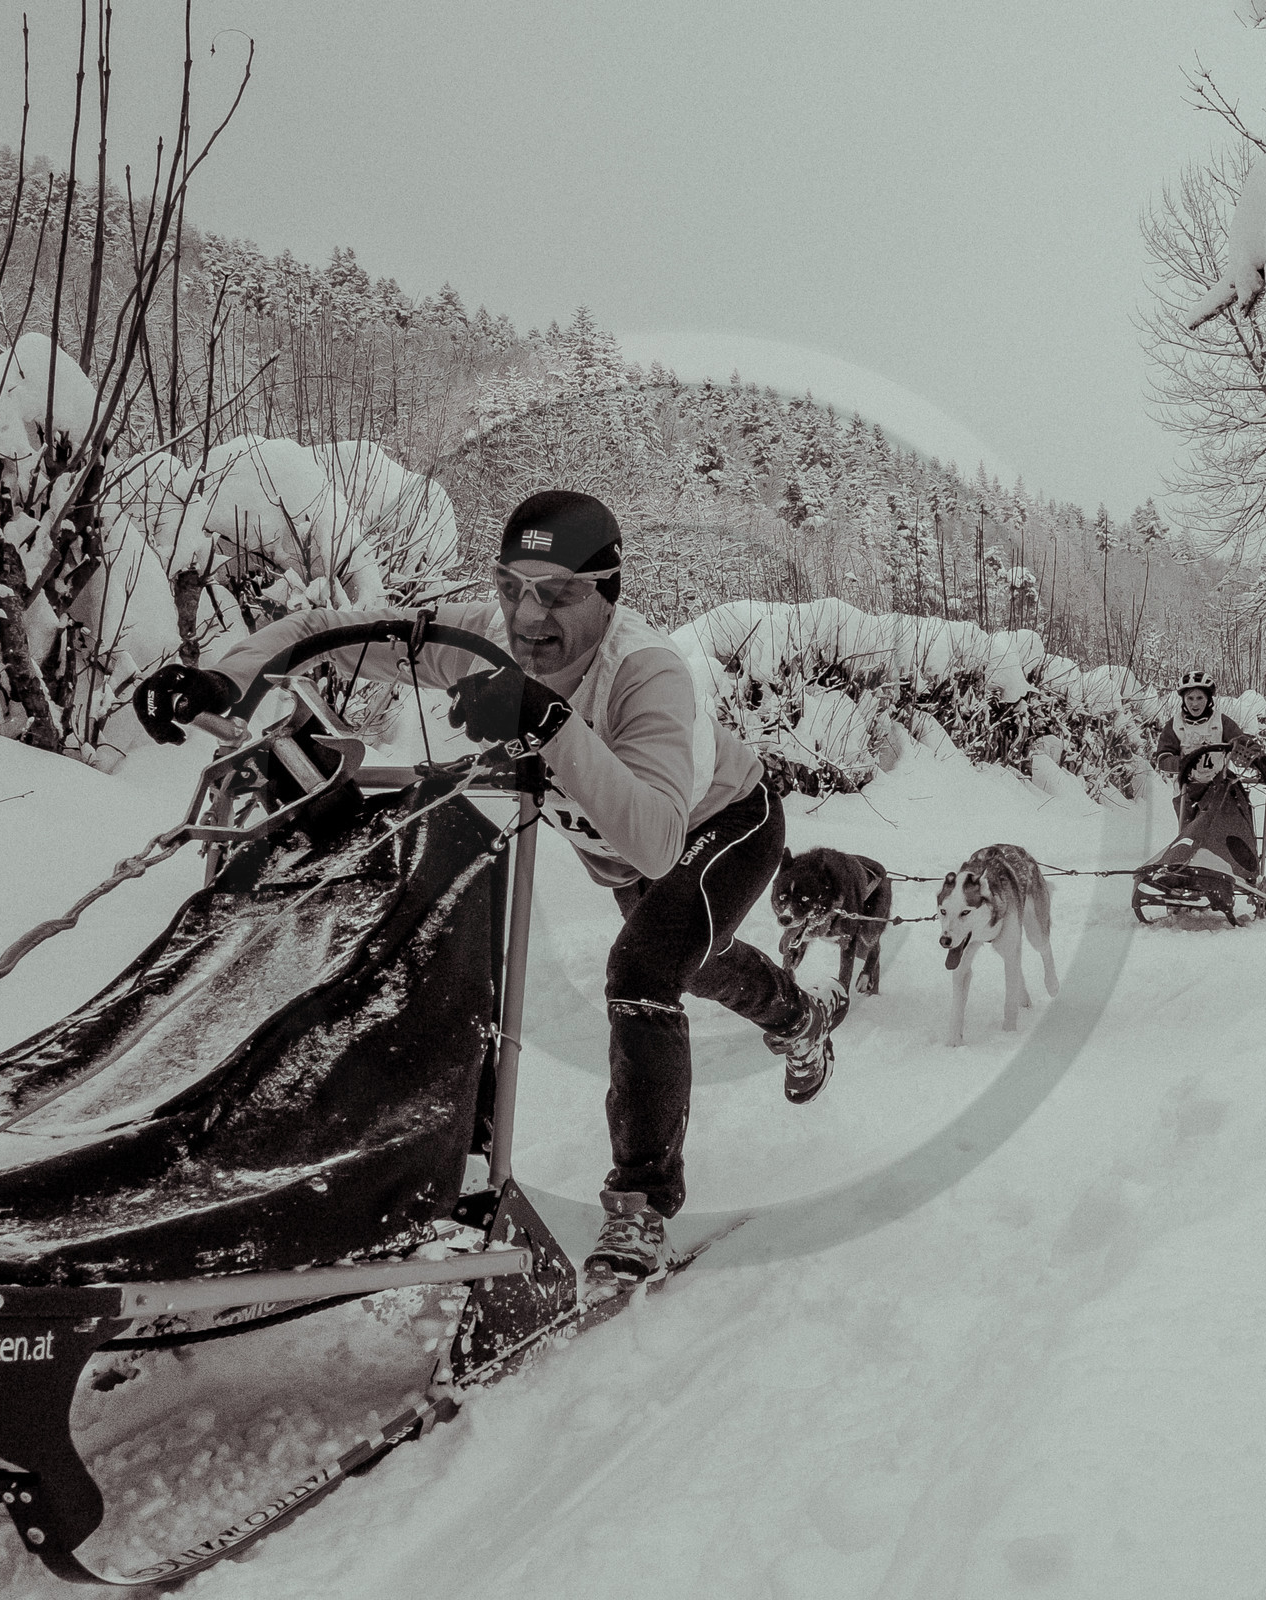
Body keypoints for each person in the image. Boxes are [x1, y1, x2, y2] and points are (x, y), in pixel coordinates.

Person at [133, 489, 844, 1283]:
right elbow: (323, 632)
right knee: (692, 961)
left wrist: (544, 720)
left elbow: (653, 841)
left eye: (559, 594)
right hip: (621, 851)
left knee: (643, 974)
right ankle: (800, 1016)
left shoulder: (647, 674)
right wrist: (223, 681)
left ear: (608, 593)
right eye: (511, 587)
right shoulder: (480, 638)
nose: (528, 617)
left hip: (722, 827)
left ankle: (642, 1209)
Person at [1153, 670, 1266, 820]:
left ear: (1208, 699)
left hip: (1217, 786)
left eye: (1200, 698)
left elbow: (1241, 741)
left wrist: (1257, 758)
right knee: (1191, 835)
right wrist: (1182, 763)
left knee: (1223, 829)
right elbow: (1163, 757)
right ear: (1183, 700)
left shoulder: (1221, 722)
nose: (1195, 703)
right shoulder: (1175, 725)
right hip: (1187, 790)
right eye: (1190, 698)